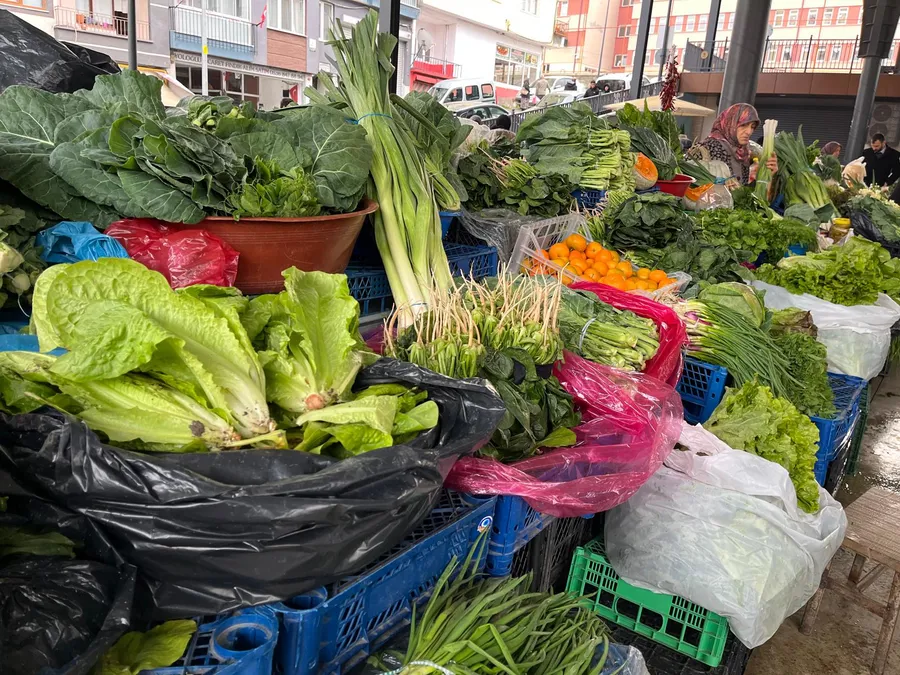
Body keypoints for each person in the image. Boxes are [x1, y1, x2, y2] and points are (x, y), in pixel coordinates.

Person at [685, 103, 778, 186]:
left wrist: (767, 175)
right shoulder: (708, 147)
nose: (749, 131)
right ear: (730, 123)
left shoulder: (745, 152)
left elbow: (743, 190)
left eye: (752, 127)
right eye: (743, 125)